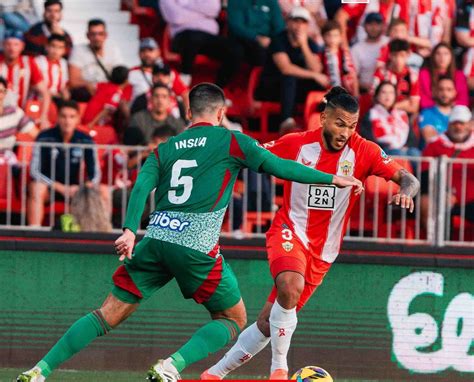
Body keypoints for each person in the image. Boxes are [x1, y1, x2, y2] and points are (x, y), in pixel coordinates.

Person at [16, 82, 363, 382]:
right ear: (222, 112)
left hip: (154, 240)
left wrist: (128, 230)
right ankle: (171, 365)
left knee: (104, 315)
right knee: (233, 318)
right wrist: (332, 177)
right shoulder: (231, 141)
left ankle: (39, 371)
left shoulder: (165, 148)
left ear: (187, 111)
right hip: (196, 246)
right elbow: (281, 167)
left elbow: (140, 189)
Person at [201, 86, 420, 380]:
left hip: (324, 252)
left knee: (268, 323)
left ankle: (212, 375)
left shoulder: (364, 150)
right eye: (339, 123)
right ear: (324, 117)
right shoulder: (297, 144)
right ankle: (279, 370)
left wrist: (406, 191)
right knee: (289, 286)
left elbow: (408, 177)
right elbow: (252, 153)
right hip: (289, 229)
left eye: (352, 126)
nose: (345, 132)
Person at [255, 6, 329, 132]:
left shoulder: (310, 43)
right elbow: (286, 68)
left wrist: (304, 45)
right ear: (288, 22)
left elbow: (317, 68)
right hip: (271, 88)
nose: (299, 25)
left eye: (303, 22)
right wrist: (314, 75)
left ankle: (318, 123)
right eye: (296, 21)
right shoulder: (278, 40)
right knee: (289, 78)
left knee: (321, 85)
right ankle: (286, 121)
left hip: (294, 90)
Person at [27, 100, 100, 227]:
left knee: (103, 191)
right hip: (50, 188)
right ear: (57, 118)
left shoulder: (85, 140)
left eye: (72, 117)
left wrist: (84, 186)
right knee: (36, 188)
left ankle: (100, 237)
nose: (67, 121)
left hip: (75, 189)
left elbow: (95, 172)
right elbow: (34, 170)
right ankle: (35, 233)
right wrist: (58, 186)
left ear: (78, 119)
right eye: (63, 116)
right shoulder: (44, 137)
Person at [159, 0, 243, 87]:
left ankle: (217, 89)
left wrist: (186, 4)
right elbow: (176, 17)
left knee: (236, 49)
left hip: (207, 38)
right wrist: (204, 14)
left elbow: (213, 9)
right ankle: (184, 79)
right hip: (183, 36)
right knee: (193, 37)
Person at [420, 105, 474, 230]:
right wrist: (442, 192)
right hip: (441, 197)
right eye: (455, 123)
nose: (458, 127)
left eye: (462, 123)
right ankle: (435, 248)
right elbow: (425, 176)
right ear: (449, 124)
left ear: (470, 124)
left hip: (471, 199)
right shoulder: (434, 145)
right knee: (427, 203)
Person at [0, 30, 51, 129]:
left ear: (22, 46)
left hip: (22, 116)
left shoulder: (28, 63)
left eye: (16, 44)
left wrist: (43, 117)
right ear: (3, 45)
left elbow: (45, 93)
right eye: (8, 44)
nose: (12, 48)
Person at [68, 19, 124, 101]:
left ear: (106, 35)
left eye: (100, 34)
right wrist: (88, 85)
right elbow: (74, 80)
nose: (96, 38)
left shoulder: (113, 50)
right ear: (87, 35)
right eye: (93, 34)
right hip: (88, 90)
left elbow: (121, 75)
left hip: (108, 89)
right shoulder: (79, 50)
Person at [360, 81, 418, 157]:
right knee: (397, 154)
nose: (388, 96)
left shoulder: (402, 115)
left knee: (415, 153)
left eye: (391, 93)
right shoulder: (371, 114)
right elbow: (368, 139)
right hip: (383, 151)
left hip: (403, 150)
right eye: (383, 92)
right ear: (377, 96)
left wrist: (406, 147)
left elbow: (412, 139)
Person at [227, 0, 285, 67]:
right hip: (244, 39)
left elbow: (279, 26)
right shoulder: (236, 1)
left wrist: (273, 40)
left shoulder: (272, 2)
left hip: (268, 39)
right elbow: (236, 26)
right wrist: (256, 37)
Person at [372, 39, 420, 114]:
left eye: (402, 55)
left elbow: (414, 107)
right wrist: (404, 104)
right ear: (390, 55)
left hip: (404, 117)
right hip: (382, 114)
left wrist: (392, 106)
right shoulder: (381, 73)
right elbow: (373, 100)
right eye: (395, 55)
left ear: (408, 55)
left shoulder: (413, 76)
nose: (398, 59)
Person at [419, 42, 469, 109]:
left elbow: (463, 100)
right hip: (431, 111)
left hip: (454, 110)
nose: (442, 57)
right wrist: (441, 108)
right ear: (433, 56)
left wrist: (447, 107)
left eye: (446, 54)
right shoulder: (424, 74)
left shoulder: (459, 75)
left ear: (451, 56)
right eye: (438, 53)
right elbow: (423, 99)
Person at [350, 12, 389, 94]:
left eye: (377, 24)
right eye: (370, 24)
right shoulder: (356, 49)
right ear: (364, 26)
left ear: (383, 26)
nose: (374, 28)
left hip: (389, 89)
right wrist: (369, 87)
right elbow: (353, 77)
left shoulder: (389, 43)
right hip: (366, 91)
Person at [318, 20, 358, 96]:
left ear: (340, 37)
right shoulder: (321, 54)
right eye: (328, 35)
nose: (332, 39)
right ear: (323, 37)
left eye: (335, 35)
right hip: (327, 93)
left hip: (345, 93)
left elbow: (352, 75)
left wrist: (356, 95)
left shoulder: (345, 53)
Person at [0, 76, 37, 156]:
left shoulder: (15, 113)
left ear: (5, 93)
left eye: (0, 91)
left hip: (7, 161)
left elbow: (36, 135)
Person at [419, 76, 456, 145]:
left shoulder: (460, 114)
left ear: (454, 92)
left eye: (449, 90)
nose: (445, 93)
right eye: (441, 89)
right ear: (435, 92)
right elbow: (430, 140)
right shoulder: (426, 113)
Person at [34, 33, 69, 103]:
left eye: (60, 47)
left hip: (57, 97)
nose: (56, 50)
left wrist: (65, 93)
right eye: (53, 46)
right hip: (39, 97)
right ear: (47, 47)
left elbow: (64, 84)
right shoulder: (38, 61)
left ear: (64, 50)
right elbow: (34, 83)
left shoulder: (63, 63)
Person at [128, 37, 165, 102]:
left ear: (158, 52)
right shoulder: (131, 73)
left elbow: (184, 94)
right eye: (143, 51)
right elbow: (123, 99)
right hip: (140, 110)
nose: (147, 54)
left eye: (151, 50)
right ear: (139, 53)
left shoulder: (168, 72)